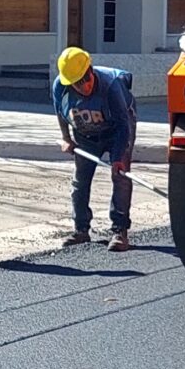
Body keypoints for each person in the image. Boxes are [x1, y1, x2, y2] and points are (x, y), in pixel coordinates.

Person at [52, 45, 136, 251]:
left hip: (116, 132)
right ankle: (81, 229)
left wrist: (117, 157)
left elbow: (123, 126)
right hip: (85, 134)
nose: (83, 87)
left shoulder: (111, 86)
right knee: (80, 181)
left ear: (91, 71)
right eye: (76, 84)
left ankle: (119, 230)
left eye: (85, 80)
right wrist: (66, 138)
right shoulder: (60, 87)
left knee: (121, 177)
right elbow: (60, 113)